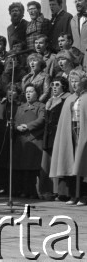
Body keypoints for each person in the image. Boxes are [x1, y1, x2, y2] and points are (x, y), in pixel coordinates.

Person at [50, 73, 87, 205]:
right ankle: (73, 195)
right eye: (71, 81)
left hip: (83, 134)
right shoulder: (70, 98)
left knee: (83, 166)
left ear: (83, 82)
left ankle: (83, 196)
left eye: (76, 81)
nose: (73, 83)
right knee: (71, 164)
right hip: (71, 133)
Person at [13, 84, 46, 199]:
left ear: (37, 93)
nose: (28, 94)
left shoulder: (41, 106)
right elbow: (15, 121)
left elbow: (41, 119)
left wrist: (28, 126)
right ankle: (23, 190)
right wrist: (17, 127)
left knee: (32, 168)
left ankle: (33, 191)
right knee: (22, 168)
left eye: (31, 91)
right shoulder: (21, 107)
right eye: (26, 92)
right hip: (22, 141)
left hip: (34, 139)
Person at [40, 77, 70, 201]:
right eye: (52, 84)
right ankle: (47, 191)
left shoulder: (66, 99)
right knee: (47, 164)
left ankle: (60, 192)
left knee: (58, 164)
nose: (54, 87)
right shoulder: (50, 101)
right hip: (48, 136)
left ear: (63, 86)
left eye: (57, 84)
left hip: (59, 135)